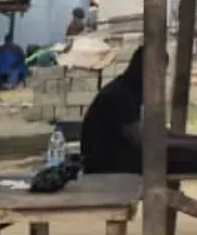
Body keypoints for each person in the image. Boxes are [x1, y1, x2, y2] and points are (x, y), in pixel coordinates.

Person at [81, 45, 197, 176]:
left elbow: (156, 132)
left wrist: (190, 141)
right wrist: (189, 145)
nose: (162, 77)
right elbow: (143, 140)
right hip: (107, 163)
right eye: (160, 71)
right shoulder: (122, 94)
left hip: (125, 156)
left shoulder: (133, 90)